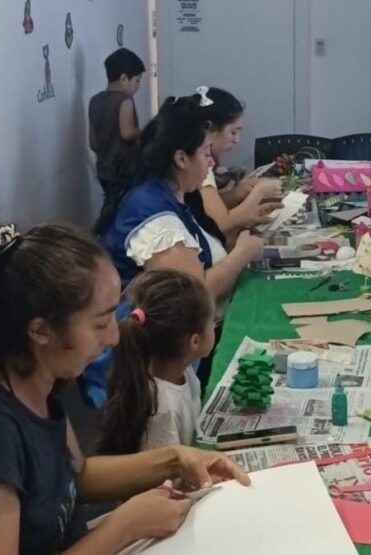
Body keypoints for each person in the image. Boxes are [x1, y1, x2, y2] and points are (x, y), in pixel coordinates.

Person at [0, 224, 249, 555]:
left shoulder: (35, 380)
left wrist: (175, 460)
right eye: (100, 323)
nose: (113, 337)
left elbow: (76, 474)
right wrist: (124, 526)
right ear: (40, 331)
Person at [95, 94, 267, 389]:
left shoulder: (173, 196)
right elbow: (194, 294)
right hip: (152, 366)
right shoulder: (152, 212)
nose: (212, 161)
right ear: (181, 158)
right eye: (205, 153)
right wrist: (242, 253)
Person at [96, 270, 214, 455]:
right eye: (211, 322)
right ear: (195, 342)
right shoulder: (163, 410)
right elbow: (166, 476)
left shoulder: (184, 371)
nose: (213, 326)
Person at [191, 86, 283, 236]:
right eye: (233, 132)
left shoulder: (203, 157)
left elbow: (205, 207)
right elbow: (220, 223)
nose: (237, 140)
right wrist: (259, 192)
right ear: (210, 128)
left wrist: (238, 193)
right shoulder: (200, 163)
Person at [89, 48, 146, 197]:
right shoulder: (125, 101)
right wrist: (144, 132)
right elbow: (127, 133)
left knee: (110, 203)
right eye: (137, 81)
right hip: (123, 170)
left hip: (103, 170)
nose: (138, 86)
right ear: (124, 78)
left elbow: (93, 143)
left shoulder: (95, 101)